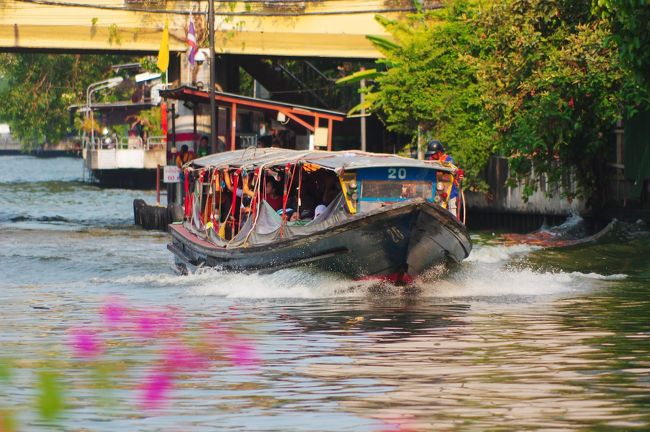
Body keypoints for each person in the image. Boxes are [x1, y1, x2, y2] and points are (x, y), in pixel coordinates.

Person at [425, 140, 464, 215]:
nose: (431, 156)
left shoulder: (448, 160)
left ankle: (454, 221)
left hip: (450, 188)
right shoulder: (431, 161)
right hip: (437, 189)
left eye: (433, 155)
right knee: (438, 206)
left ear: (439, 153)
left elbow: (451, 169)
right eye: (431, 155)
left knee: (452, 206)